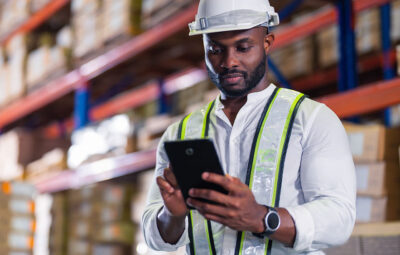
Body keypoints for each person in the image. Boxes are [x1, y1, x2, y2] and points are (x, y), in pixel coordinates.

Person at [142, 0, 356, 254]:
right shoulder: (179, 134)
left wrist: (261, 218)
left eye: (243, 47)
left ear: (267, 43)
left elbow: (339, 218)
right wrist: (172, 214)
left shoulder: (311, 119)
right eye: (215, 49)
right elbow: (155, 236)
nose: (229, 61)